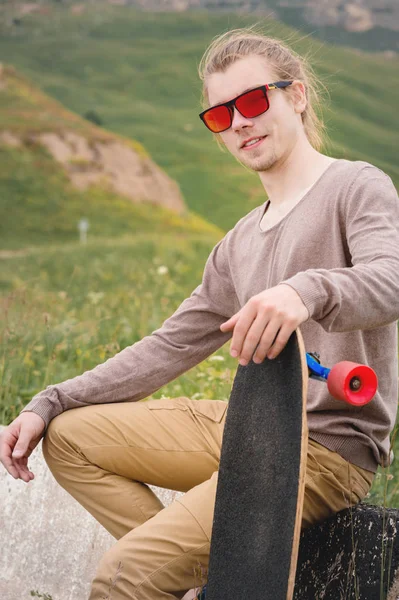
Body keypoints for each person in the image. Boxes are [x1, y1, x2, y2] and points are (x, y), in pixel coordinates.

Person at [1, 26, 399, 600]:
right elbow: (168, 347)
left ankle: (163, 576)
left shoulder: (356, 186)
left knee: (123, 576)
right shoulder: (238, 242)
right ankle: (207, 582)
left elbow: (389, 283)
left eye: (254, 100)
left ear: (298, 95)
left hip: (326, 448)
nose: (239, 121)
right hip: (249, 425)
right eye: (220, 115)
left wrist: (307, 291)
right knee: (67, 437)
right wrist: (51, 398)